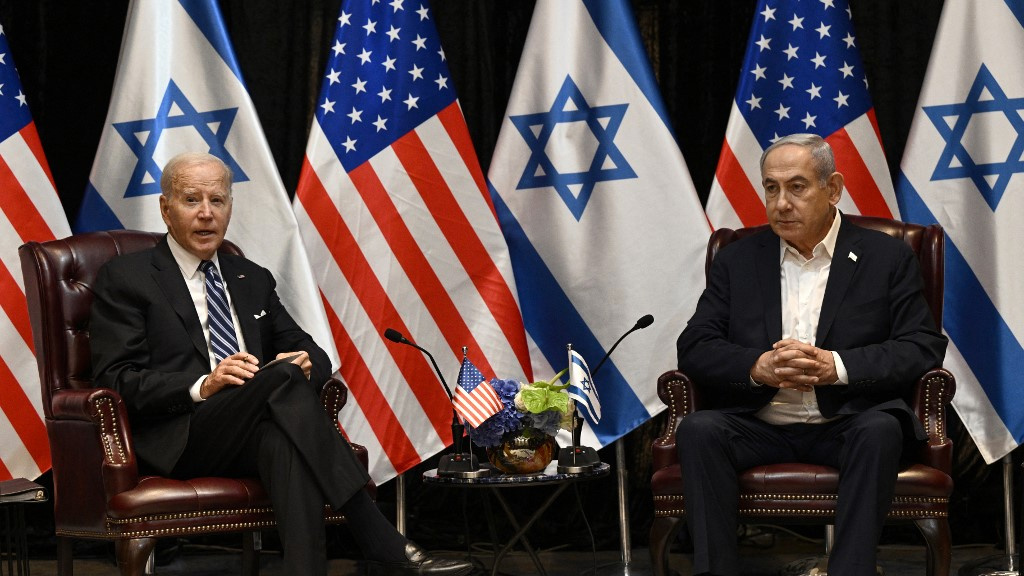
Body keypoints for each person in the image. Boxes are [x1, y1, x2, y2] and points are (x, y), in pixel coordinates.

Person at [90, 152, 473, 576]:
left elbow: (314, 353)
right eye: (190, 200)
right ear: (165, 208)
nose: (205, 214)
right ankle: (374, 532)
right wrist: (204, 384)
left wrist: (308, 363)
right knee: (282, 378)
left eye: (217, 201)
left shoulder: (250, 277)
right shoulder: (127, 277)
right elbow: (116, 379)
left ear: (231, 207)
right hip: (182, 434)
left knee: (281, 433)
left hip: (254, 428)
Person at [674, 134, 947, 576]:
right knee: (700, 429)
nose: (781, 202)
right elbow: (695, 346)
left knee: (880, 429)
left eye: (797, 186)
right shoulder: (737, 260)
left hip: (847, 420)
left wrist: (834, 367)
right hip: (759, 422)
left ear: (833, 189)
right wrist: (758, 367)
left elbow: (921, 345)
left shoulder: (887, 256)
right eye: (771, 188)